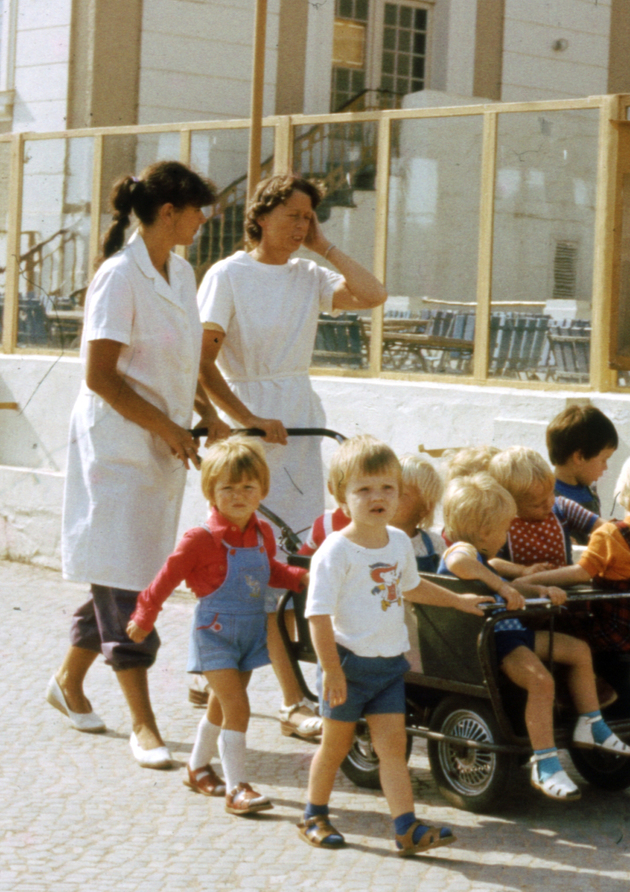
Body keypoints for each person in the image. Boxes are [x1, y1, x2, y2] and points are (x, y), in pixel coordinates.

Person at [45, 162, 225, 768]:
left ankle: (68, 683)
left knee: (126, 572)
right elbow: (100, 378)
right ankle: (143, 725)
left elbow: (175, 366)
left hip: (161, 445)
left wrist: (207, 415)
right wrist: (170, 427)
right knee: (126, 579)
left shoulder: (179, 272)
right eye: (197, 209)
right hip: (120, 448)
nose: (204, 220)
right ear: (168, 212)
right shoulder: (118, 277)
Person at [197, 174, 388, 744]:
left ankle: (236, 675)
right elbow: (202, 365)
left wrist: (325, 248)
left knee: (298, 559)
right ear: (260, 216)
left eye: (309, 217)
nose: (301, 226)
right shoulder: (227, 274)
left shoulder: (310, 275)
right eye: (292, 216)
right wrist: (244, 418)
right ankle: (285, 697)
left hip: (300, 422)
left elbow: (373, 294)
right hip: (250, 426)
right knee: (253, 564)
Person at [299, 437, 483, 854]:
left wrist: (459, 601)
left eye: (386, 488)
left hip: (387, 668)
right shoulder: (335, 551)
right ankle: (313, 814)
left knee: (393, 749)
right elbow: (318, 616)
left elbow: (414, 588)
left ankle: (406, 827)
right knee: (336, 746)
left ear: (399, 493)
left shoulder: (398, 543)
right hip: (346, 665)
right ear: (341, 498)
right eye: (363, 489)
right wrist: (330, 669)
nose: (377, 497)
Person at [125, 439, 308, 813]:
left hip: (250, 633)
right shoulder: (200, 539)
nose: (238, 495)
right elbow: (164, 579)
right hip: (216, 636)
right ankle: (237, 788)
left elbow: (268, 570)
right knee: (237, 707)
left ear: (262, 490)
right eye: (227, 488)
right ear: (211, 492)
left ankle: (196, 768)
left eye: (247, 487)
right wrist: (144, 617)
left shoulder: (261, 533)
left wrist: (300, 577)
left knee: (221, 708)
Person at [438, 475, 629, 802]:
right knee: (541, 682)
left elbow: (501, 581)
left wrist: (537, 589)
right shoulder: (464, 550)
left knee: (578, 651)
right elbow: (458, 562)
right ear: (484, 532)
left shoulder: (483, 557)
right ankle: (545, 762)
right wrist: (501, 586)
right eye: (503, 529)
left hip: (513, 632)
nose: (506, 536)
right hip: (493, 643)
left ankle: (591, 722)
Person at [516, 451, 630, 712]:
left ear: (624, 487)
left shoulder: (611, 535)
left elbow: (579, 574)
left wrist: (530, 579)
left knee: (555, 624)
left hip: (606, 633)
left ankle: (565, 692)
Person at [487, 446, 602, 570]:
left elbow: (603, 527)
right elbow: (491, 562)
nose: (549, 504)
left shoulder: (562, 508)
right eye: (537, 504)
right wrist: (522, 571)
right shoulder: (502, 524)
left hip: (564, 583)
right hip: (524, 586)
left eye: (551, 493)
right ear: (512, 504)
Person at [546, 404, 619, 544]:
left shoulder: (590, 494)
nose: (606, 467)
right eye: (603, 460)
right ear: (579, 457)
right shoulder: (546, 498)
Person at [393, 453, 445, 573]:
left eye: (403, 494)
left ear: (424, 508)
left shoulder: (433, 544)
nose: (392, 498)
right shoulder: (372, 539)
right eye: (390, 490)